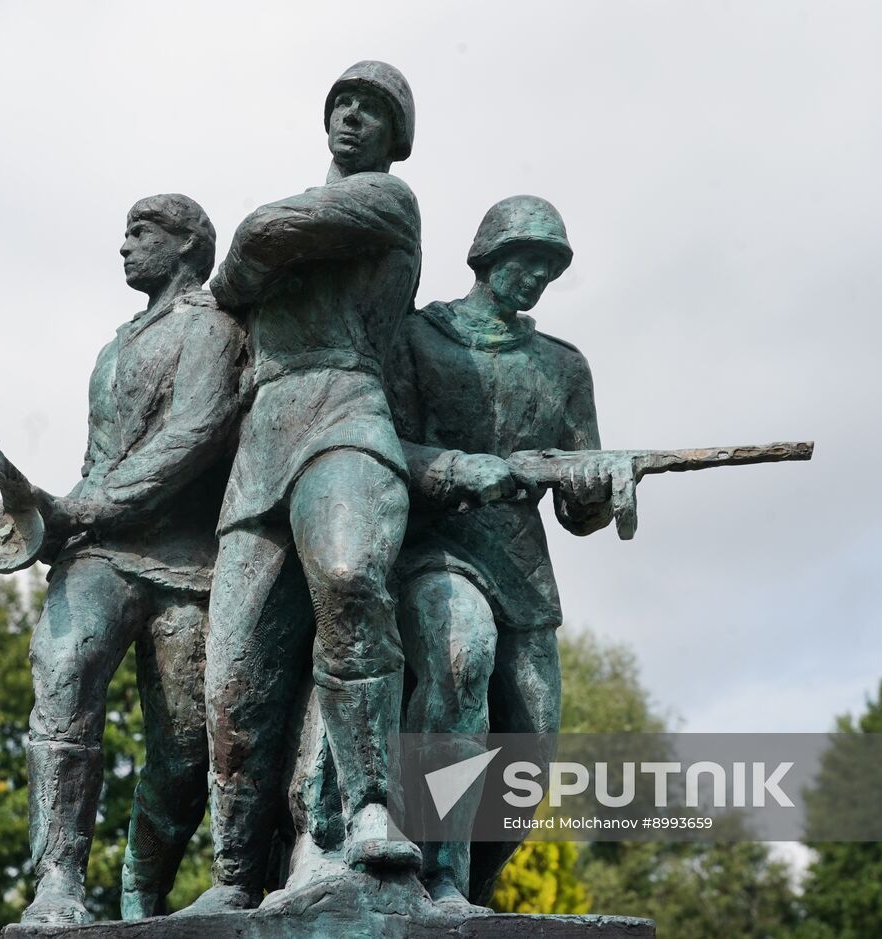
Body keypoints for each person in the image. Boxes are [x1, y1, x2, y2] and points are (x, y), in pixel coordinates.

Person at [185, 61, 423, 914]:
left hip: (347, 414)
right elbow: (238, 277)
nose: (352, 119)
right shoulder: (323, 218)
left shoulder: (390, 203)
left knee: (352, 580)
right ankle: (235, 874)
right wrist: (247, 258)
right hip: (263, 439)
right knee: (233, 664)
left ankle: (368, 805)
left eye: (373, 111)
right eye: (342, 105)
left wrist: (250, 250)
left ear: (398, 136)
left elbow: (256, 243)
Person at [385, 195, 617, 910]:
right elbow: (382, 448)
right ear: (487, 256)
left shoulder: (561, 367)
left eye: (549, 267)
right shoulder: (418, 338)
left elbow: (584, 509)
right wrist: (459, 469)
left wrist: (594, 490)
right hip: (433, 550)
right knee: (463, 658)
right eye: (526, 259)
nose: (536, 277)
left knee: (532, 747)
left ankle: (472, 884)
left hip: (522, 574)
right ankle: (436, 873)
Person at [20, 194, 246, 924]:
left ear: (186, 246)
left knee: (183, 758)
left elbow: (193, 436)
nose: (123, 247)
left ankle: (138, 892)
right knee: (63, 671)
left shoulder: (212, 329)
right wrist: (57, 522)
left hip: (186, 566)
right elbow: (100, 460)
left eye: (139, 233)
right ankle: (57, 881)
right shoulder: (112, 349)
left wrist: (86, 506)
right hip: (102, 555)